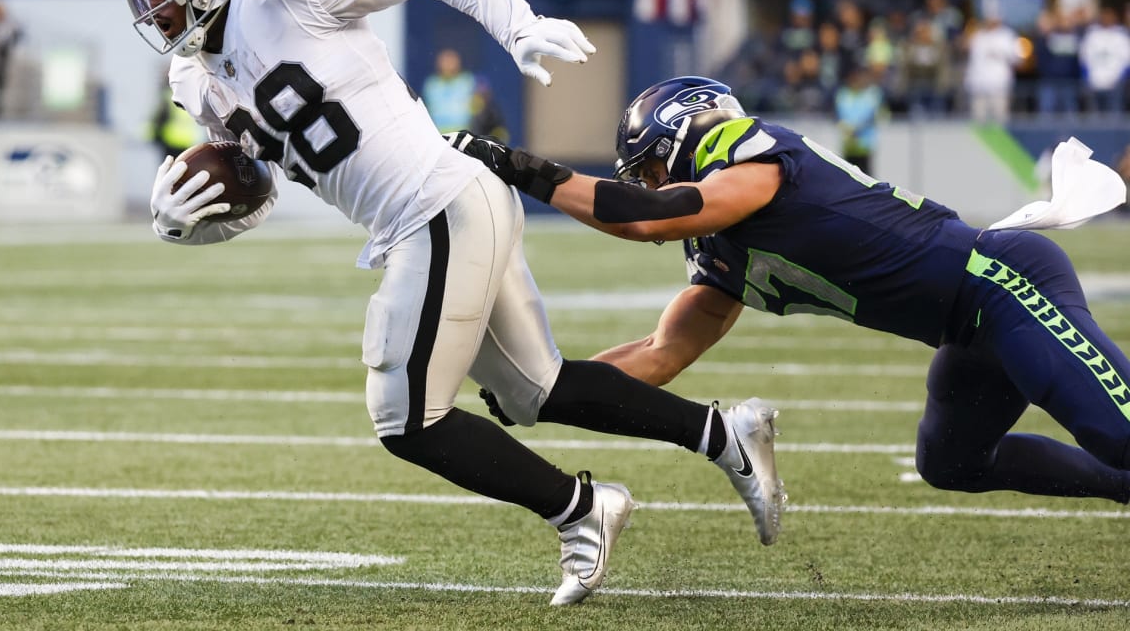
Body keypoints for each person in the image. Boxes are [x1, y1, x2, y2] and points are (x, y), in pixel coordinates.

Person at [116, 0, 785, 606]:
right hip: (436, 211)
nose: (155, 6)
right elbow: (261, 186)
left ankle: (583, 510)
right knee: (533, 391)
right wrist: (189, 219)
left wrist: (518, 25)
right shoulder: (195, 77)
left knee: (404, 417)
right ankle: (726, 434)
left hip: (434, 202)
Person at [453, 75, 1130, 508]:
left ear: (685, 133)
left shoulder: (745, 151)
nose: (649, 186)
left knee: (1118, 431)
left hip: (1003, 283)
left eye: (652, 170)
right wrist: (544, 389)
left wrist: (523, 170)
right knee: (953, 462)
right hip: (965, 329)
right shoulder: (718, 250)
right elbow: (660, 355)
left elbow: (651, 215)